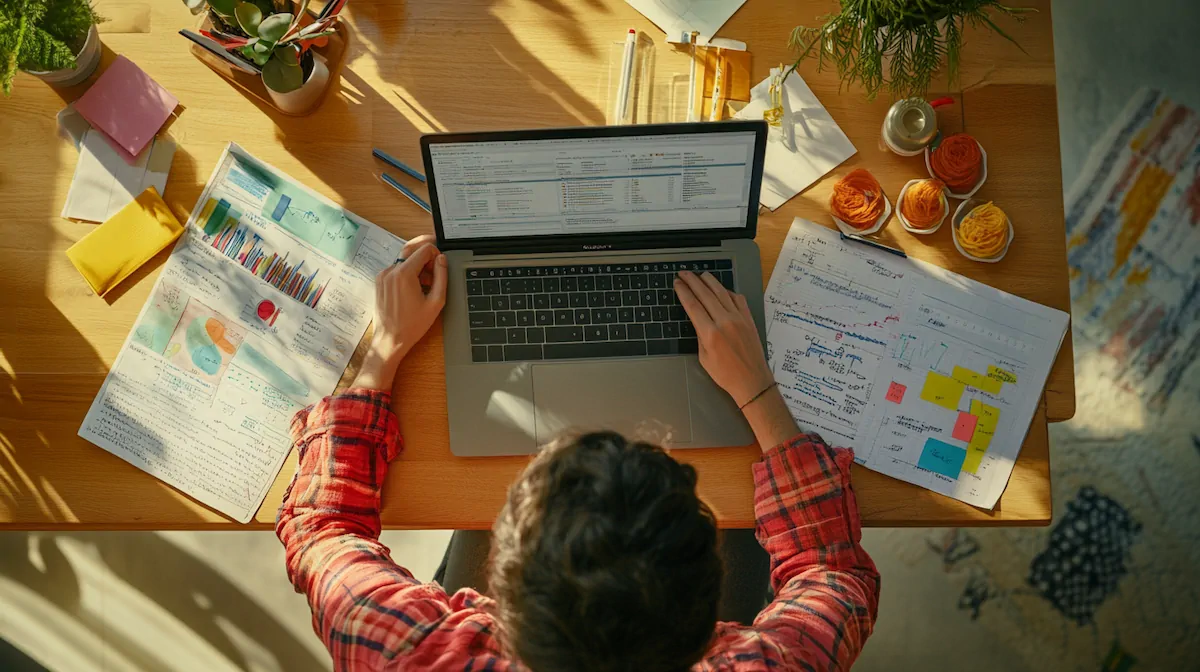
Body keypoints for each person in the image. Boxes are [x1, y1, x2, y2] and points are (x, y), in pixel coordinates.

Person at [276, 236, 880, 671]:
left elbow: (322, 528)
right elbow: (834, 575)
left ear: (498, 590)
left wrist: (383, 350)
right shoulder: (770, 665)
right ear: (712, 616)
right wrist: (756, 388)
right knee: (753, 528)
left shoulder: (405, 652)